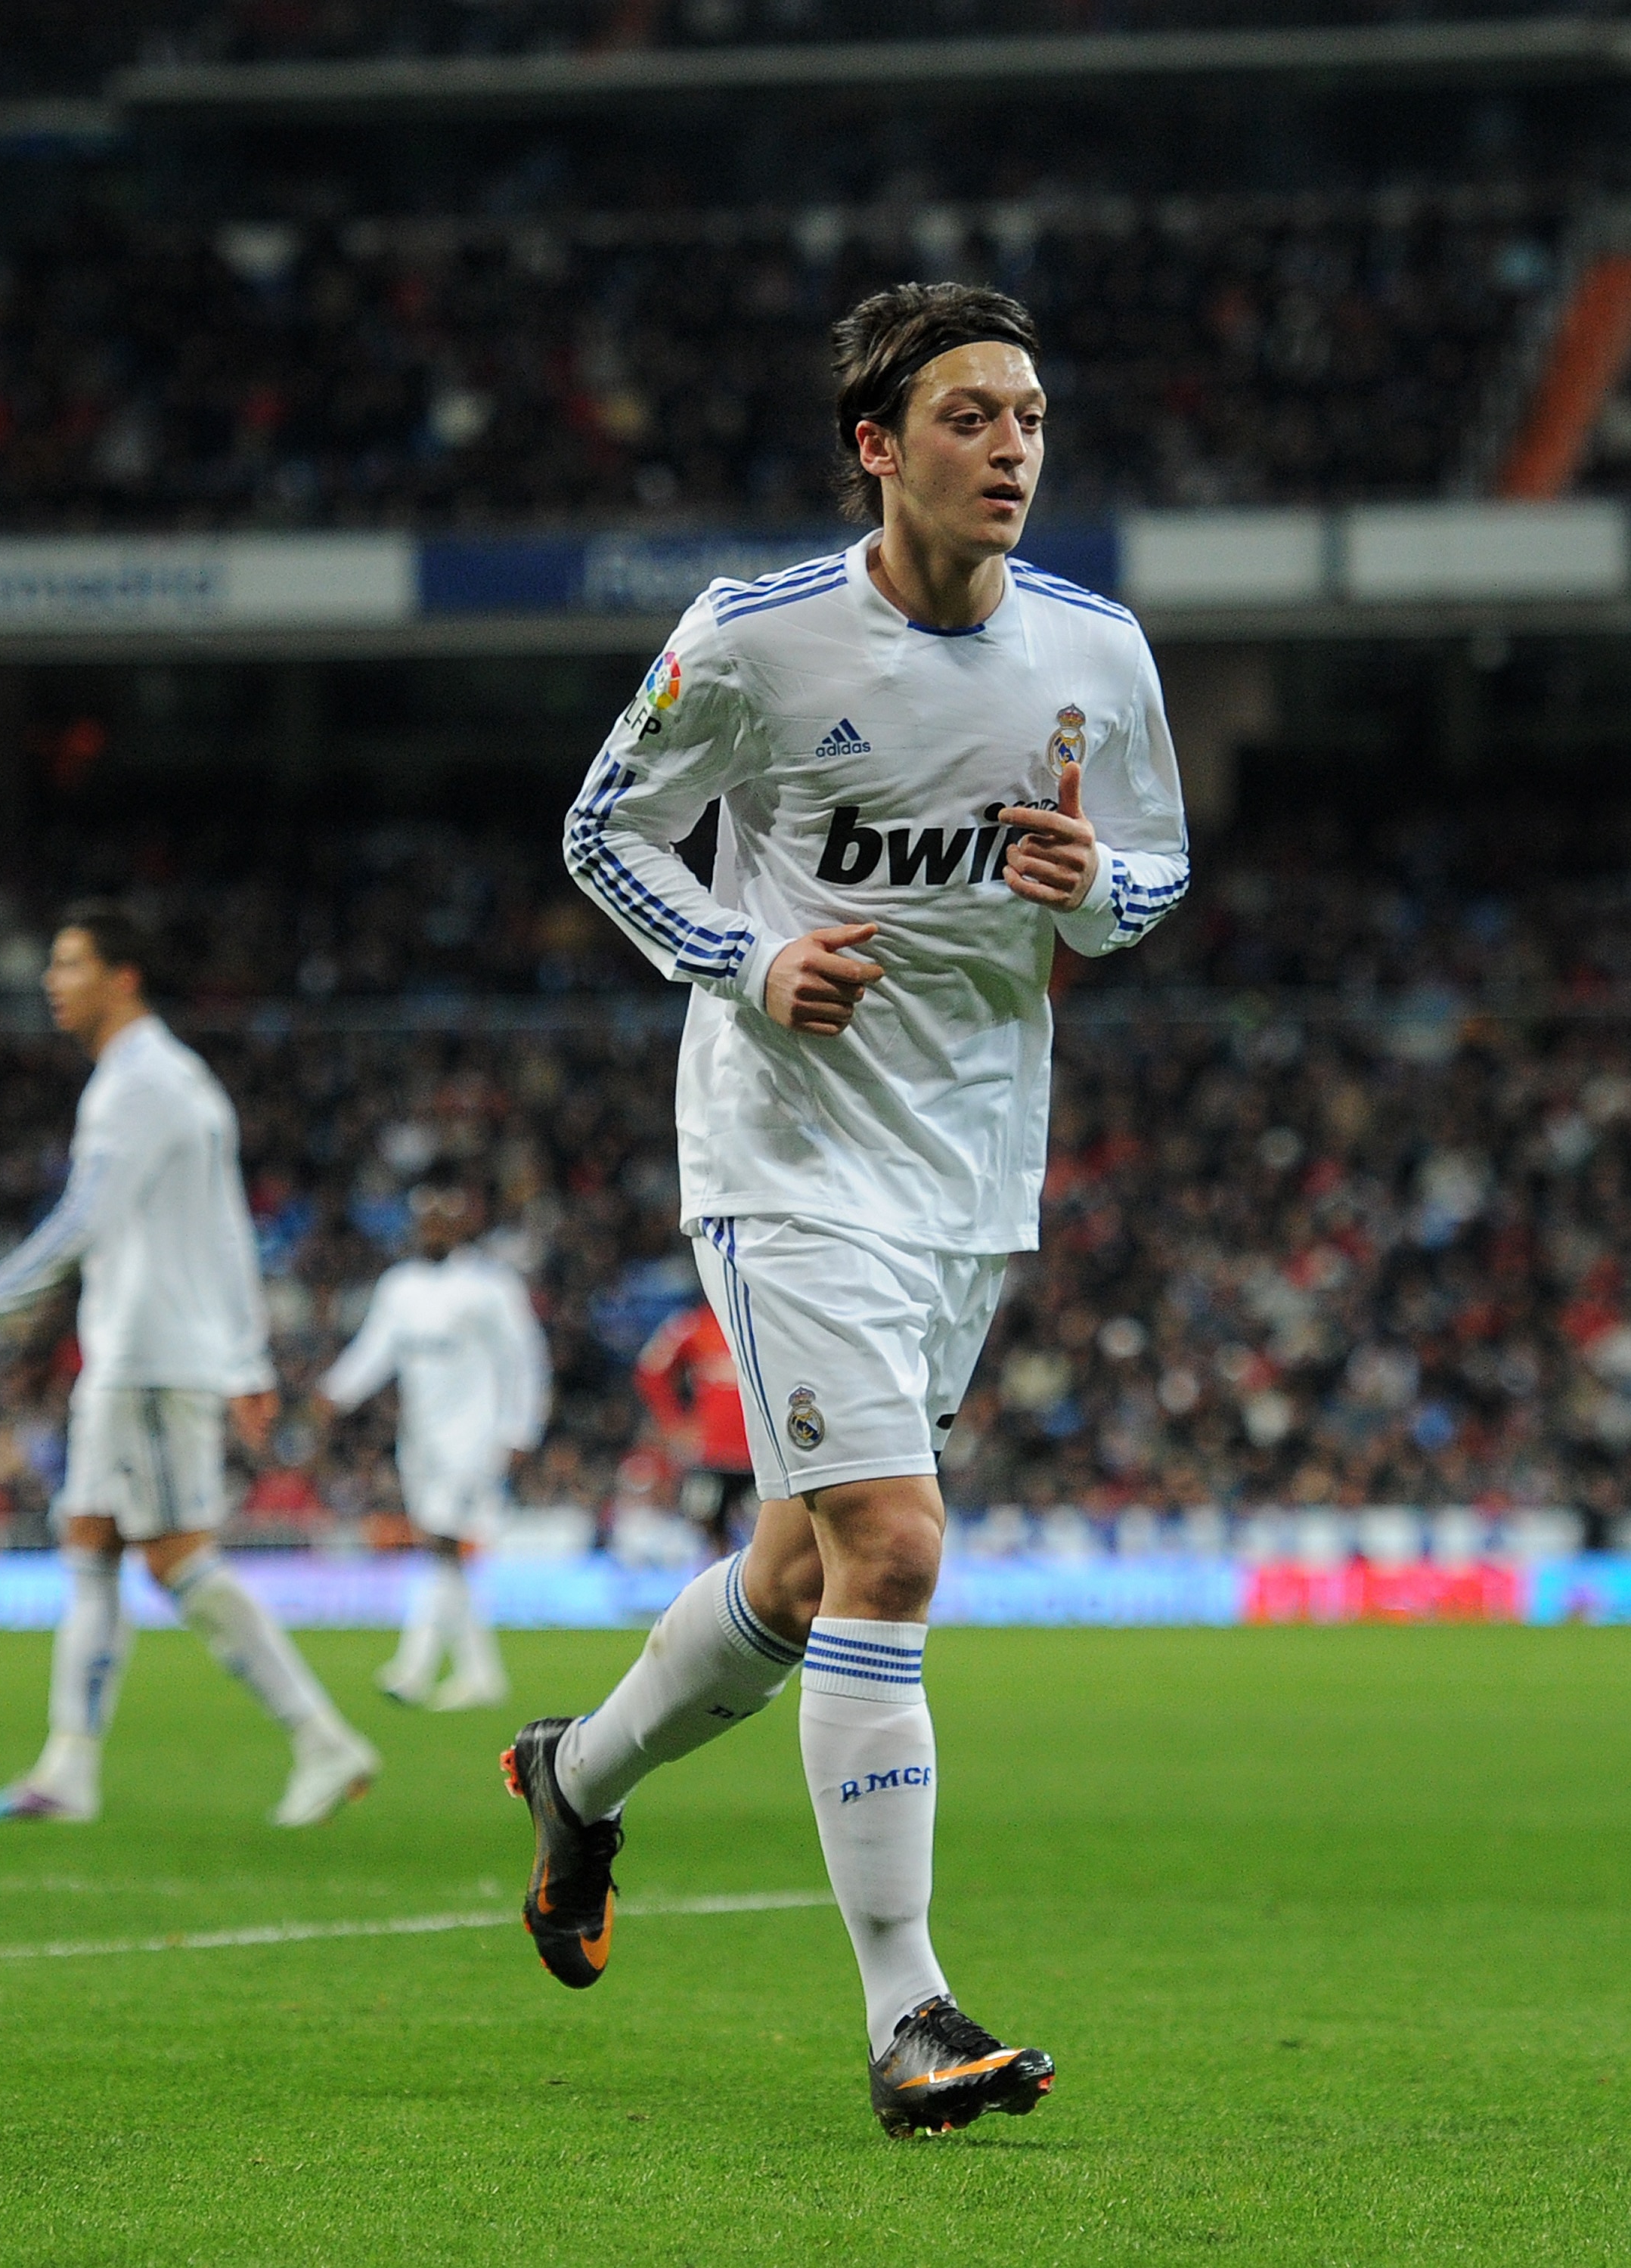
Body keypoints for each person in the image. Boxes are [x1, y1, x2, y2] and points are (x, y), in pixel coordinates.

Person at [503, 280, 1189, 2137]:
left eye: (1031, 417)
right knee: (890, 1544)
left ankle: (577, 1773)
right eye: (971, 416)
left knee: (804, 1577)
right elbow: (601, 829)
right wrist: (747, 955)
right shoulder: (755, 638)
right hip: (785, 1151)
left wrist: (1090, 881)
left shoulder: (1095, 650)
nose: (1013, 448)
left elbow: (1154, 870)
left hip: (974, 1160)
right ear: (878, 447)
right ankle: (909, 2014)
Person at [0, 905, 379, 1828]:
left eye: (70, 964)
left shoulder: (138, 1086)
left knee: (176, 1559)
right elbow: (222, 1230)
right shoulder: (177, 1080)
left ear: (122, 976)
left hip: (148, 1355)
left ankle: (324, 1742)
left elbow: (83, 1218)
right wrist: (246, 1356)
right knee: (89, 1544)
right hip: (139, 1350)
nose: (53, 982)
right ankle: (68, 1769)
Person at [313, 1181, 549, 1709]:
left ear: (462, 1225)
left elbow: (525, 1359)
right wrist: (333, 1392)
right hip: (420, 1439)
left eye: (443, 1220)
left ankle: (412, 1669)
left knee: (443, 1542)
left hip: (476, 1438)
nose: (432, 1230)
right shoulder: (400, 1286)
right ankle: (481, 1675)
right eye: (425, 1220)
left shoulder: (490, 1286)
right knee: (442, 1550)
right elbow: (376, 1349)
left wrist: (520, 1429)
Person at [634, 1299, 755, 1557]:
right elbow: (651, 1370)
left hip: (760, 1456)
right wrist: (674, 1423)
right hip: (712, 1455)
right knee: (705, 1526)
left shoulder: (766, 1321)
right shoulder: (693, 1324)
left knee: (765, 1534)